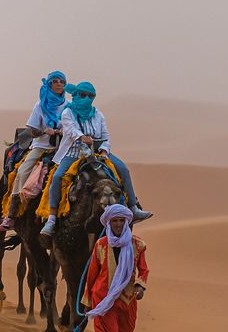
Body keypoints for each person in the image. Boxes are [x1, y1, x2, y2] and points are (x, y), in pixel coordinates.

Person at [39, 81, 152, 236]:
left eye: (90, 96)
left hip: (98, 153)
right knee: (57, 177)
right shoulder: (68, 112)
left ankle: (133, 208)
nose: (87, 98)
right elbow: (71, 131)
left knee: (123, 169)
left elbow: (106, 136)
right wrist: (82, 137)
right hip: (73, 153)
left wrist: (104, 151)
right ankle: (51, 219)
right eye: (83, 95)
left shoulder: (98, 114)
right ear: (77, 95)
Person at [83, 204, 149, 332]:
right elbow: (92, 275)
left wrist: (140, 286)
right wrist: (88, 301)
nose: (118, 224)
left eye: (121, 220)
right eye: (115, 221)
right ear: (109, 223)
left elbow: (144, 270)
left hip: (128, 300)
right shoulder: (101, 245)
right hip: (104, 300)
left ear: (127, 221)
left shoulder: (138, 245)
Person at [0, 70, 68, 230]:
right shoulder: (41, 105)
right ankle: (12, 214)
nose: (58, 84)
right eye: (55, 81)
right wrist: (45, 131)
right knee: (22, 172)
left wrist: (63, 132)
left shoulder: (69, 106)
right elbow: (31, 130)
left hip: (63, 148)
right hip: (42, 147)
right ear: (49, 85)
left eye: (61, 81)